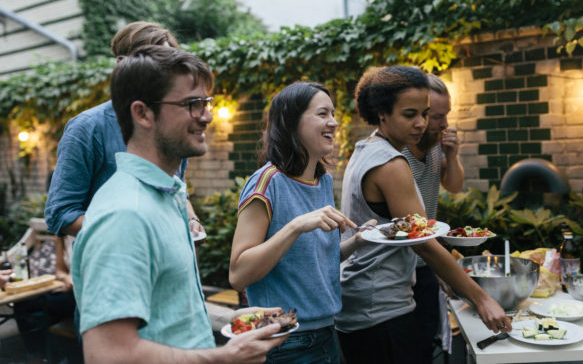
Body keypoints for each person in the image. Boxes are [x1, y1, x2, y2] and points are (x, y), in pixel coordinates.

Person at [71, 45, 286, 362]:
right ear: (142, 113)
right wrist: (224, 358)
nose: (207, 116)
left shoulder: (165, 196)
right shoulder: (125, 214)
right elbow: (109, 354)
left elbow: (171, 313)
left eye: (206, 103)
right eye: (191, 104)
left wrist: (235, 320)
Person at [336, 66, 510, 364]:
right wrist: (481, 298)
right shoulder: (391, 163)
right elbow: (424, 243)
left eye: (425, 113)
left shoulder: (367, 149)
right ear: (382, 114)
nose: (421, 123)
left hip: (362, 301)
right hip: (380, 307)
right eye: (409, 114)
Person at [229, 82, 368, 363]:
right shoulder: (267, 183)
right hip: (285, 341)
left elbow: (310, 261)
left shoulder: (323, 181)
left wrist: (356, 242)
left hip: (327, 332)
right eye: (322, 114)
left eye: (333, 113)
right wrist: (295, 226)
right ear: (291, 123)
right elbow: (238, 274)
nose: (334, 121)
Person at [45, 21, 203, 238]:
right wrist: (133, 232)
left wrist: (191, 219)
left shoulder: (173, 127)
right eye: (155, 63)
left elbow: (177, 190)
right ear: (122, 66)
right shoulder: (87, 128)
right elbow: (61, 213)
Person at [403, 74, 463, 362]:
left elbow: (454, 186)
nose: (444, 124)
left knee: (426, 341)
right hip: (403, 265)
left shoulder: (436, 144)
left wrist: (452, 155)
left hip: (426, 258)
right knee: (410, 345)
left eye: (446, 115)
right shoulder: (398, 154)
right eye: (437, 116)